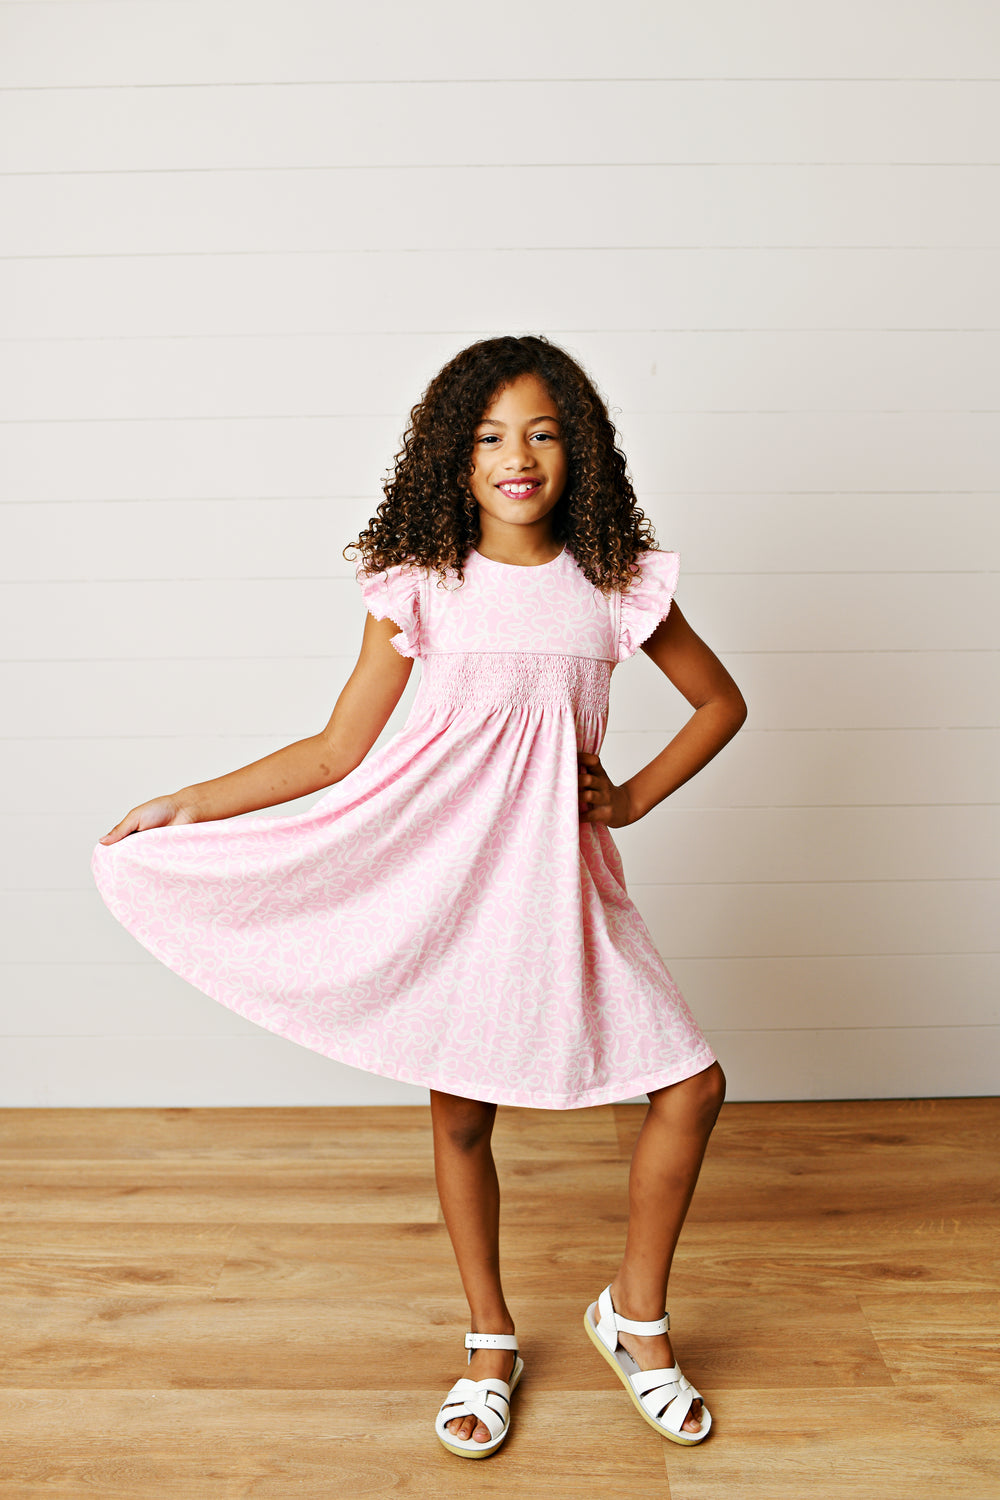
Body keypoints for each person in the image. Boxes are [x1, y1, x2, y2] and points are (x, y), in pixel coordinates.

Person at [93, 334, 746, 1458]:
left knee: (690, 1087)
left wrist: (628, 799)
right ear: (451, 459)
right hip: (445, 881)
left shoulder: (617, 583)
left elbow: (720, 703)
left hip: (564, 888)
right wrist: (195, 800)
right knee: (461, 1113)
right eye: (490, 436)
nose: (517, 455)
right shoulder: (425, 587)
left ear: (576, 449)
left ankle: (633, 1314)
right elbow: (339, 748)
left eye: (542, 431)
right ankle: (490, 1338)